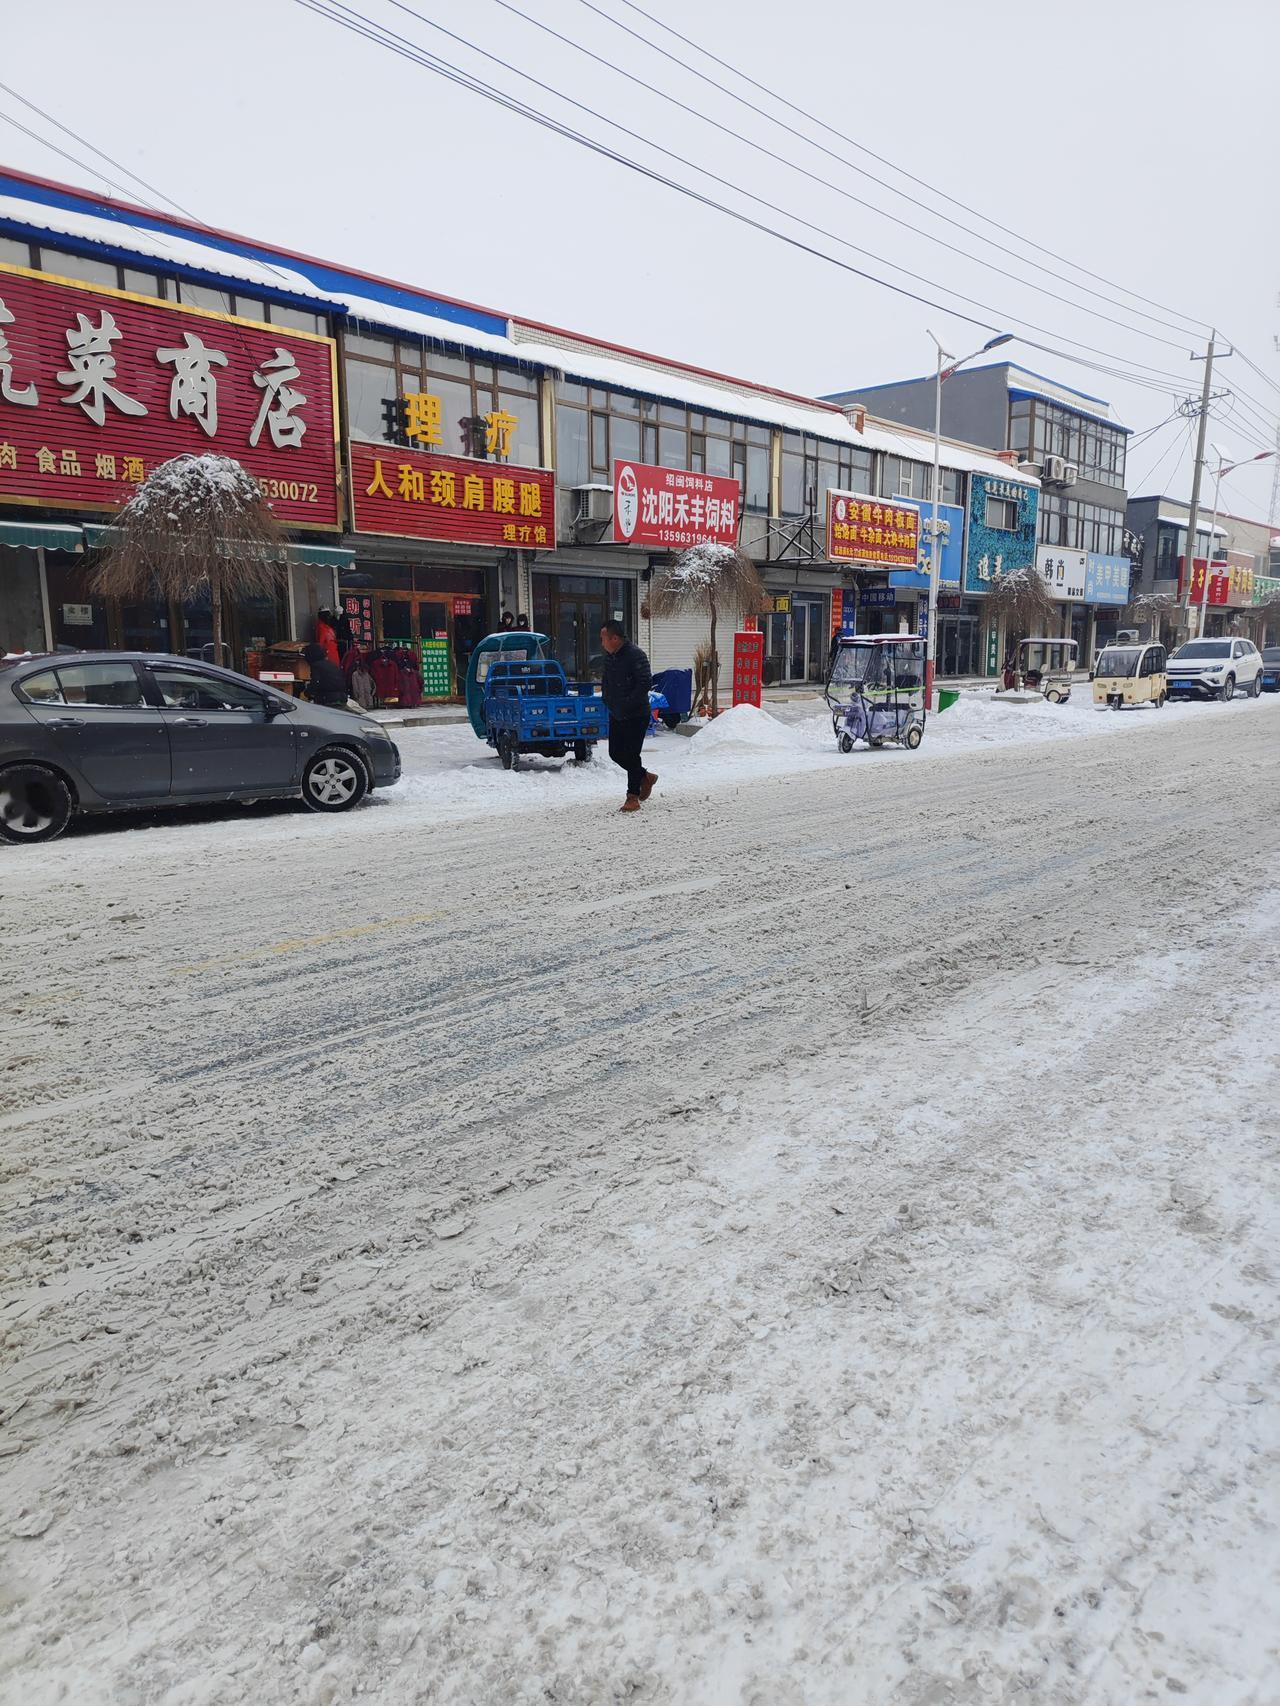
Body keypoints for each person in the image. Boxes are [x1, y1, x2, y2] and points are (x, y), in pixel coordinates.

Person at [599, 619, 655, 813]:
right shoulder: (609, 657)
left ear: (615, 638)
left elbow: (644, 684)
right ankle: (644, 777)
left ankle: (633, 797)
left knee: (631, 754)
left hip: (636, 714)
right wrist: (608, 700)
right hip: (616, 713)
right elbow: (606, 681)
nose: (602, 643)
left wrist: (627, 704)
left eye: (603, 638)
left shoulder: (636, 655)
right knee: (615, 753)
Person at [301, 641, 349, 709]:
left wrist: (307, 693)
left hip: (327, 699)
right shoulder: (332, 665)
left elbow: (315, 682)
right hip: (342, 697)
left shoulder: (316, 666)